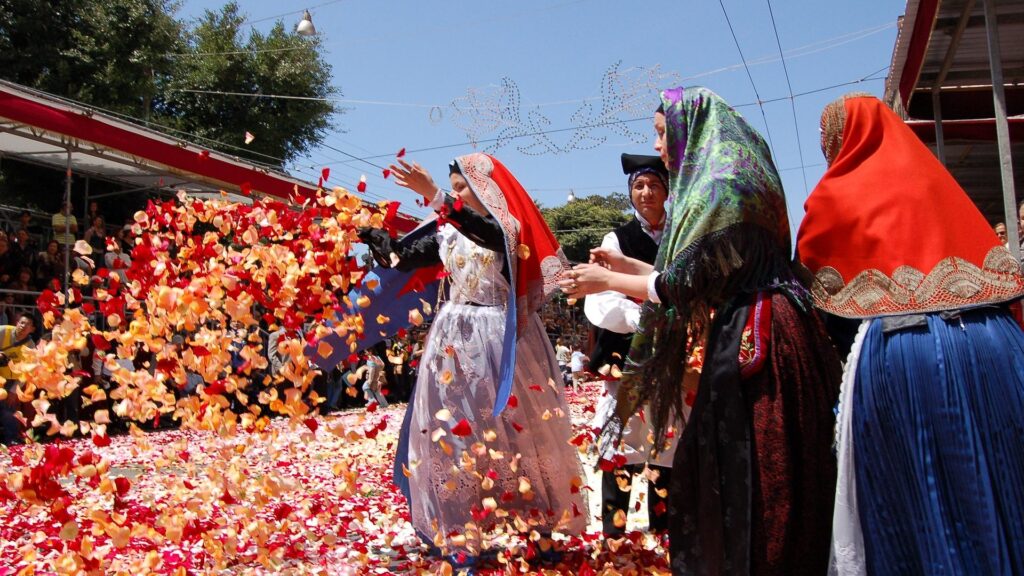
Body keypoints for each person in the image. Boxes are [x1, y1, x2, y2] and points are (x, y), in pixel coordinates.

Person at [562, 86, 842, 575]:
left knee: (751, 469)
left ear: (687, 126)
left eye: (659, 132)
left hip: (757, 336)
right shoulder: (736, 174)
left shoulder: (719, 186)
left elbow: (683, 283)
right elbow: (707, 268)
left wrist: (607, 280)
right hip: (775, 325)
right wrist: (627, 264)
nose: (656, 146)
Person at [797, 93, 1024, 576]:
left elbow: (815, 281)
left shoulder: (834, 195)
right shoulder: (937, 183)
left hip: (904, 357)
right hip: (995, 345)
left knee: (919, 495)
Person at [360, 153, 587, 567]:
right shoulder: (450, 233)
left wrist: (434, 194)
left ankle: (539, 528)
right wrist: (381, 245)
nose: (457, 193)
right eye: (454, 187)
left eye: (462, 186)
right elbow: (407, 258)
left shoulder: (504, 230)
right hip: (454, 341)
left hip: (502, 336)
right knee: (455, 435)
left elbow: (484, 232)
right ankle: (463, 532)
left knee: (519, 434)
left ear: (486, 189)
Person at [583, 153, 677, 536]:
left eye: (653, 185)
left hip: (674, 357)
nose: (646, 192)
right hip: (628, 357)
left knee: (666, 441)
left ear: (667, 192)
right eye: (638, 186)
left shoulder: (681, 233)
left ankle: (663, 528)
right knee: (620, 441)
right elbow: (602, 297)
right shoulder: (616, 240)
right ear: (630, 194)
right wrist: (644, 319)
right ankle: (614, 533)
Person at [1, 312, 36, 445]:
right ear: (16, 323)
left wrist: (15, 390)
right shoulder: (3, 331)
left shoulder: (31, 346)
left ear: (32, 329)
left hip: (13, 381)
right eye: (21, 323)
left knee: (9, 409)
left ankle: (11, 439)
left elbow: (28, 371)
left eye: (27, 325)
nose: (23, 326)